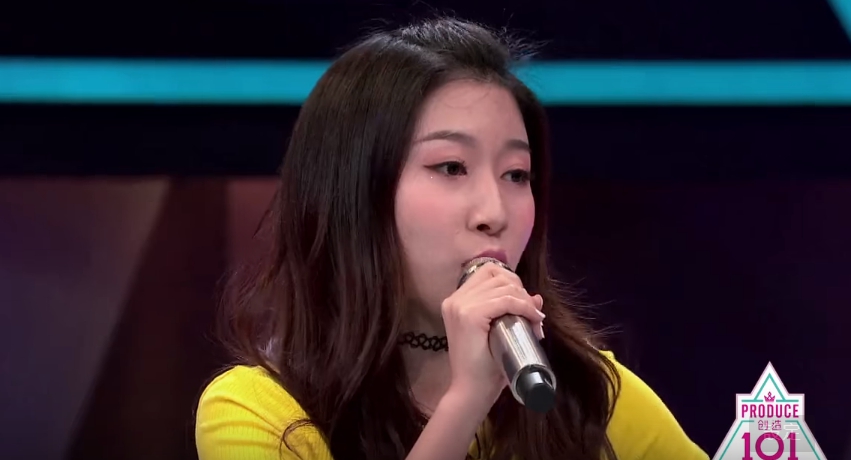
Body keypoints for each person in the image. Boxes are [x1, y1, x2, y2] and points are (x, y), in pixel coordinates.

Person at [195, 16, 708, 460]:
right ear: (354, 192)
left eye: (516, 174)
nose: (494, 213)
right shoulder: (257, 412)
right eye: (451, 167)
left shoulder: (587, 393)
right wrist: (467, 401)